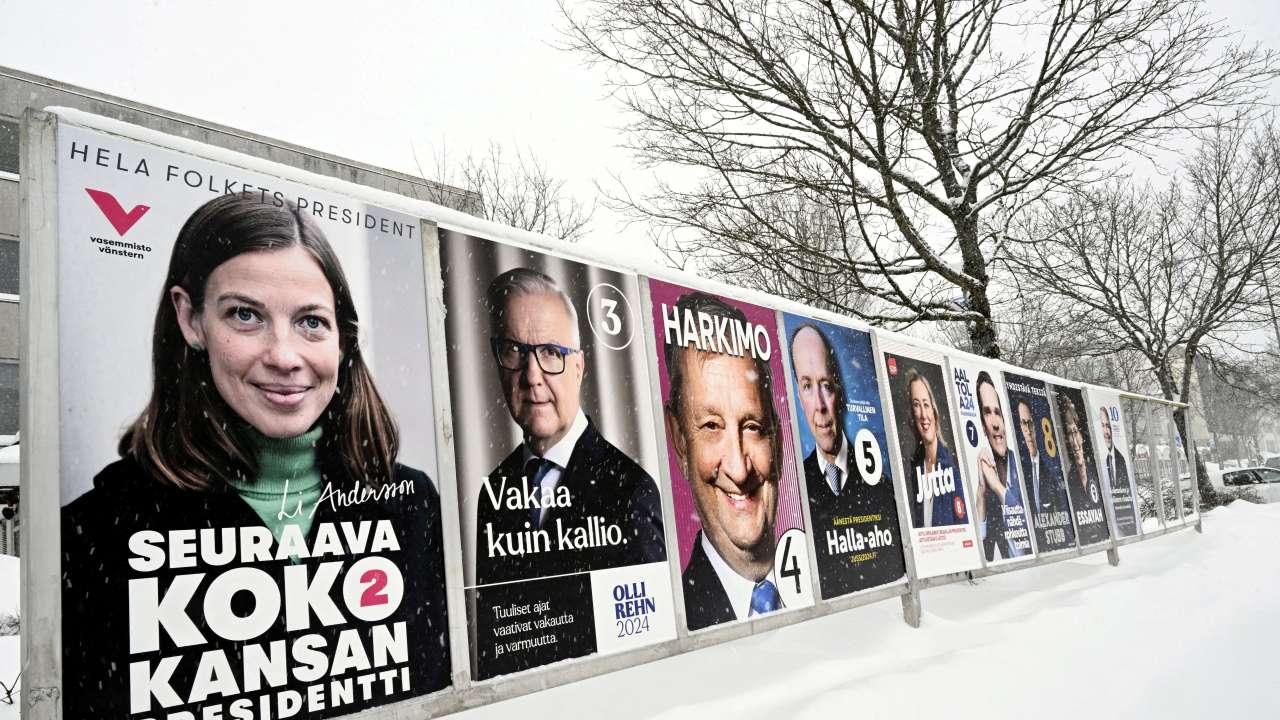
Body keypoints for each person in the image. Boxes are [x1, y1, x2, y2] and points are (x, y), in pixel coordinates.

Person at [60, 194, 450, 718]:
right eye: (246, 315)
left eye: (311, 321)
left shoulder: (412, 504)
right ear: (190, 318)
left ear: (341, 337)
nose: (285, 356)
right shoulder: (99, 531)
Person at [475, 268, 665, 586]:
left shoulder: (631, 490)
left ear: (579, 367)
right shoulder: (493, 491)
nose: (532, 376)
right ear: (498, 362)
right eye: (515, 350)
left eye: (551, 352)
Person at [665, 292, 782, 631]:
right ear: (679, 440)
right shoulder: (680, 618)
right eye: (712, 426)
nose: (739, 469)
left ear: (779, 438)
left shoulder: (827, 573)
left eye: (753, 426)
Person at [790, 323, 902, 596]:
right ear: (797, 393)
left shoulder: (880, 485)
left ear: (841, 392)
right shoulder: (793, 492)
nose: (819, 404)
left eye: (826, 385)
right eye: (807, 386)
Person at [972, 372, 1029, 560]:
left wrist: (997, 487)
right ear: (982, 424)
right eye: (987, 413)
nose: (995, 424)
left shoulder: (1024, 466)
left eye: (997, 412)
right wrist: (981, 493)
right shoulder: (987, 474)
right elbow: (980, 550)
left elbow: (1028, 526)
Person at [904, 367, 967, 528]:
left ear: (934, 410)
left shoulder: (951, 466)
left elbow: (963, 525)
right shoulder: (916, 468)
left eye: (926, 404)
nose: (924, 415)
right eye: (916, 405)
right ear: (912, 413)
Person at [1099, 407, 1131, 496]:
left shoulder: (1121, 459)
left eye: (1108, 426)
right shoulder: (1102, 461)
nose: (1106, 432)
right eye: (1102, 426)